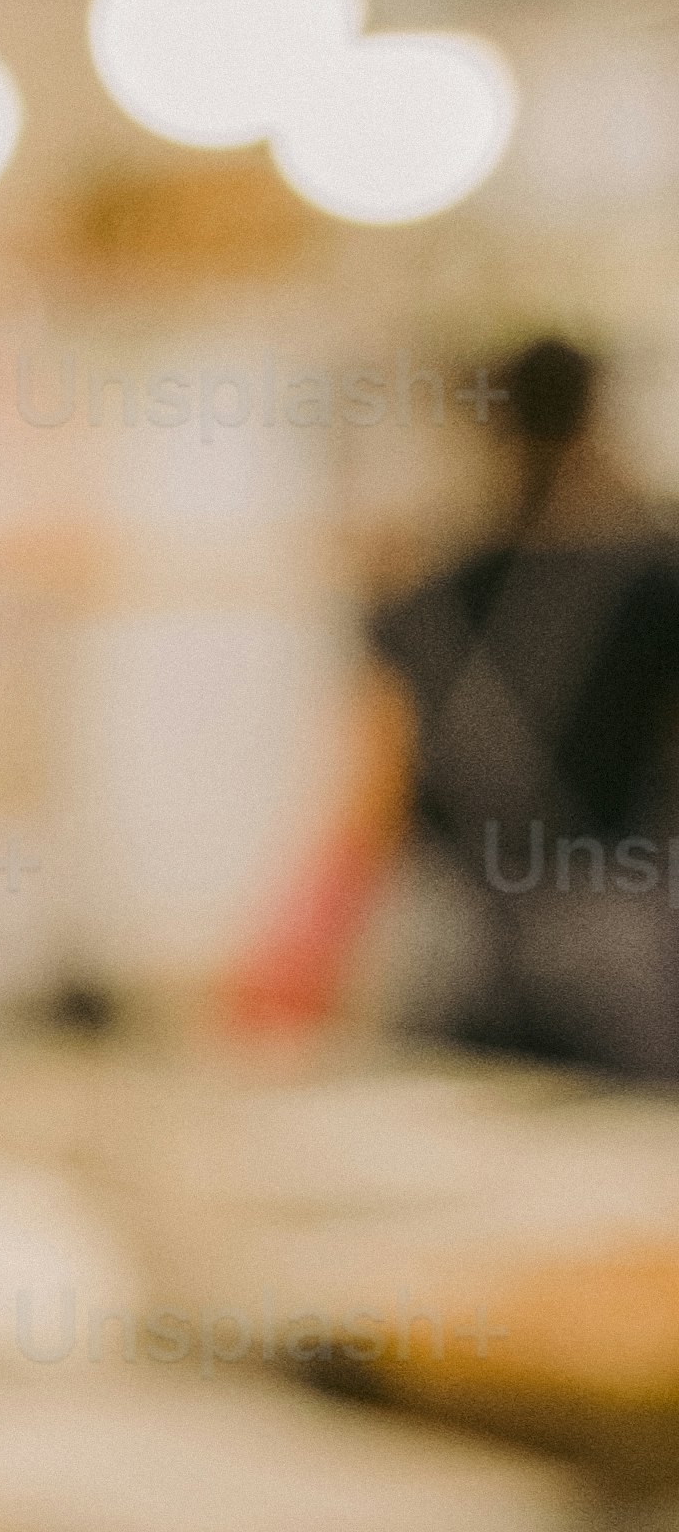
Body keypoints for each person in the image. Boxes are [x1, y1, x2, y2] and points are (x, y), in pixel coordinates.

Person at [244, 336, 679, 1066]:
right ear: (595, 416)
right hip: (627, 960)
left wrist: (291, 962)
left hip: (465, 954)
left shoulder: (422, 600)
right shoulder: (655, 584)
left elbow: (367, 806)